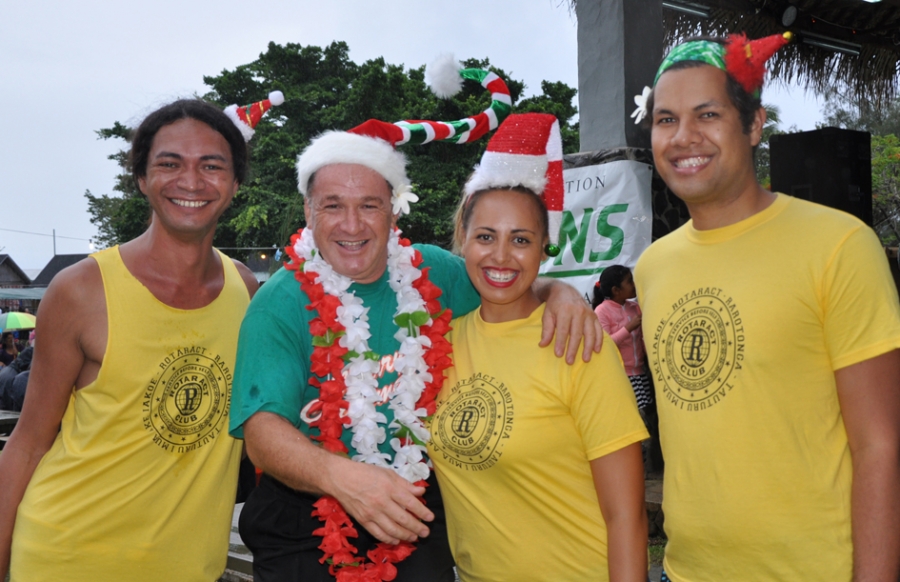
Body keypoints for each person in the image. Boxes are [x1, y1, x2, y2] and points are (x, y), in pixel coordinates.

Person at [230, 61, 602, 582]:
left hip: (414, 502)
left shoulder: (436, 272)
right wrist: (343, 479)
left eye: (370, 205)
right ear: (309, 212)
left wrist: (558, 291)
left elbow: (504, 283)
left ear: (394, 213)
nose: (352, 225)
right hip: (307, 514)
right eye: (333, 206)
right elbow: (262, 432)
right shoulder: (278, 301)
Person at [633, 33, 900, 581]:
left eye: (707, 114)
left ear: (754, 124)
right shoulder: (652, 267)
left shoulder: (838, 245)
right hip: (688, 572)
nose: (684, 138)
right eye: (666, 120)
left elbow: (879, 445)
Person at [0, 94, 280, 580]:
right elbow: (27, 443)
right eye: (169, 163)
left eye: (211, 165)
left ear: (234, 185)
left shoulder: (245, 289)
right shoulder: (82, 289)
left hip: (192, 566)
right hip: (66, 558)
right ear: (142, 179)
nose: (190, 181)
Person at [428, 113, 648, 582]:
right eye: (485, 236)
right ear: (462, 240)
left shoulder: (578, 343)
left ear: (545, 245)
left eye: (521, 239)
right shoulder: (435, 346)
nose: (501, 256)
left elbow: (627, 517)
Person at [592, 265, 651, 411]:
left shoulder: (634, 307)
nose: (634, 285)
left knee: (649, 411)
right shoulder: (601, 311)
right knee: (637, 413)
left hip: (641, 372)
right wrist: (629, 327)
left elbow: (643, 339)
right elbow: (606, 344)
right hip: (622, 374)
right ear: (616, 290)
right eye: (630, 281)